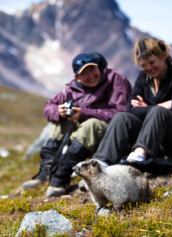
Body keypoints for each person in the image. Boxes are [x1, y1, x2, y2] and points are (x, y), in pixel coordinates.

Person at [21, 52, 132, 197]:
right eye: (84, 73)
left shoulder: (116, 80)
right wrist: (58, 111)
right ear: (77, 77)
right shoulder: (71, 89)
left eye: (92, 69)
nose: (91, 75)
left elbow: (122, 112)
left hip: (110, 134)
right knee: (57, 125)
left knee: (90, 125)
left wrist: (84, 112)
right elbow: (48, 107)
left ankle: (61, 179)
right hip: (83, 137)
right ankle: (45, 175)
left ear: (99, 67)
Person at [93, 37, 172, 174]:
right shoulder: (143, 78)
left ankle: (138, 157)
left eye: (152, 62)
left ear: (162, 56)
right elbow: (130, 111)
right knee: (121, 117)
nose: (148, 68)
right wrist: (162, 105)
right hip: (157, 138)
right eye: (144, 65)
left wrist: (148, 107)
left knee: (158, 112)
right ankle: (100, 164)